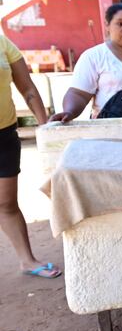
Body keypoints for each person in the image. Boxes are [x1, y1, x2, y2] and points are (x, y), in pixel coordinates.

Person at [0, 34, 61, 278]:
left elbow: (26, 88)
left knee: (6, 203)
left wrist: (45, 126)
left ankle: (27, 260)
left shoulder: (3, 43)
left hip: (3, 134)